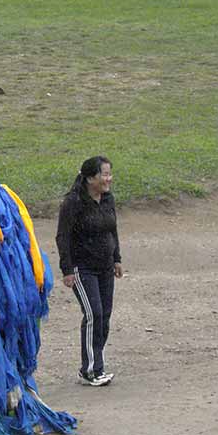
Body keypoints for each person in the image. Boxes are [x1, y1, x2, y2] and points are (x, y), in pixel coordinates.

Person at [55, 156, 123, 387]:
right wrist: (67, 270)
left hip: (105, 267)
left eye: (109, 174)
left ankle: (95, 364)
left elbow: (112, 231)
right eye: (104, 175)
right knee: (94, 314)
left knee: (104, 316)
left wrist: (117, 259)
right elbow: (62, 237)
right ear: (90, 177)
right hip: (82, 269)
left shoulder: (107, 199)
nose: (108, 179)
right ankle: (90, 371)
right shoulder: (73, 203)